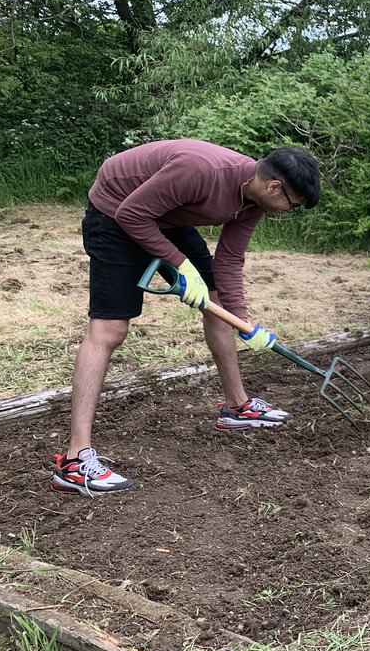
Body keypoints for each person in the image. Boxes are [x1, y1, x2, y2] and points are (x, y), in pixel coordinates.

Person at [54, 140, 321, 497]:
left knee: (216, 297)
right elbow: (132, 214)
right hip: (116, 210)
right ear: (274, 186)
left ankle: (237, 407)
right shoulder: (201, 171)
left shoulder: (254, 202)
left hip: (163, 213)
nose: (290, 211)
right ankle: (75, 461)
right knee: (110, 330)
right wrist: (180, 265)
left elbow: (229, 261)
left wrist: (244, 323)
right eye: (293, 205)